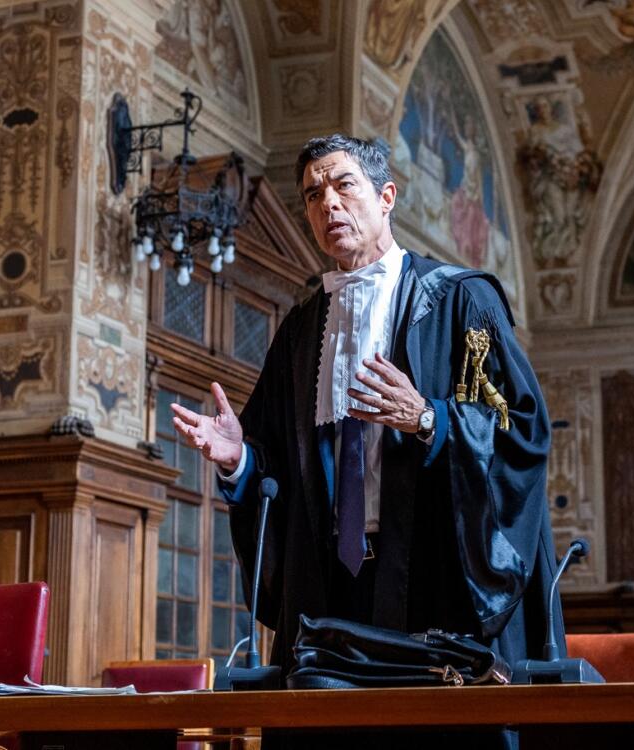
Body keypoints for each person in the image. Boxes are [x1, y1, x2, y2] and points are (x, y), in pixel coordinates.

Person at [171, 134, 562, 749]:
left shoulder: (460, 301)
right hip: (328, 588)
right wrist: (239, 459)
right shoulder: (301, 330)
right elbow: (278, 465)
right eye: (312, 194)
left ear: (386, 197)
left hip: (435, 584)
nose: (327, 203)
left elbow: (525, 430)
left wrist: (430, 419)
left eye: (343, 185)